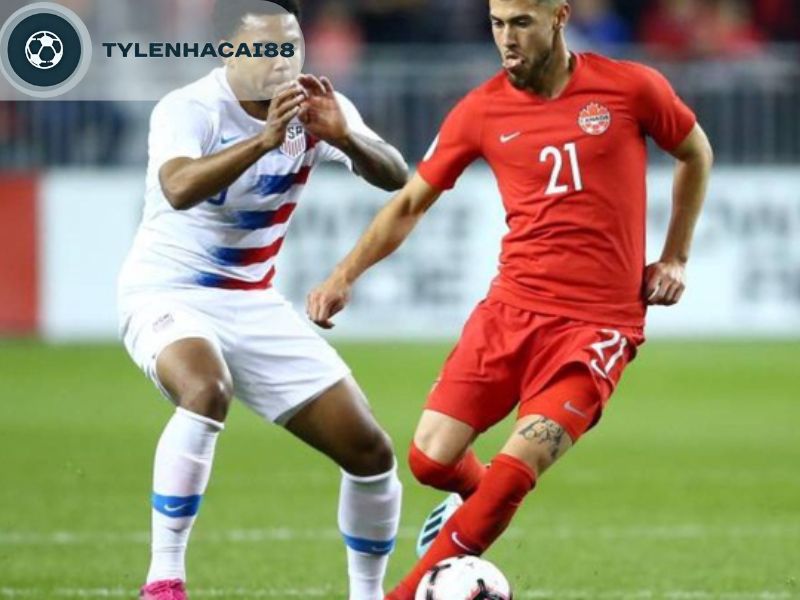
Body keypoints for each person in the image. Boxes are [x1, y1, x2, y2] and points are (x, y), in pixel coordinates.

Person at [306, 0, 714, 598]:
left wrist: (675, 256)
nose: (507, 38)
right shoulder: (481, 109)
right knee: (430, 461)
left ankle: (409, 590)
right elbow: (411, 202)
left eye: (521, 22)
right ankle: (479, 503)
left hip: (598, 325)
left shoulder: (631, 87)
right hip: (510, 310)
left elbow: (695, 152)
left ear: (559, 17)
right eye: (497, 23)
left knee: (518, 467)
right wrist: (343, 275)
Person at [117, 1, 408, 599]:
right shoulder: (189, 108)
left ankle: (368, 595)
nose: (283, 62)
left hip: (253, 301)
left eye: (292, 47)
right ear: (229, 50)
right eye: (266, 48)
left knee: (371, 452)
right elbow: (178, 187)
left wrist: (348, 138)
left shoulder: (317, 106)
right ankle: (164, 580)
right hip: (166, 291)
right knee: (206, 390)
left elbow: (396, 175)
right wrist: (264, 141)